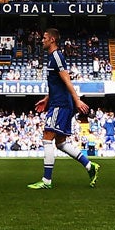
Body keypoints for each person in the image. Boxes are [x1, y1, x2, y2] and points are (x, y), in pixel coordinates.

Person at [28, 28, 97, 190]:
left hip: (61, 104)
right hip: (57, 102)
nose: (42, 40)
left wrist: (77, 100)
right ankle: (90, 166)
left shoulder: (57, 56)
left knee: (47, 138)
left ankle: (46, 180)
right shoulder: (52, 58)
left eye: (44, 38)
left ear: (52, 39)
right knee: (60, 142)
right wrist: (46, 99)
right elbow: (57, 83)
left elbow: (66, 79)